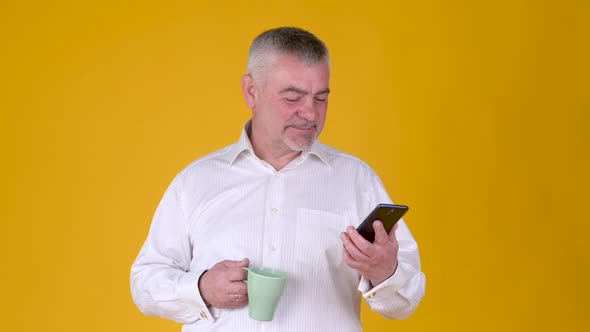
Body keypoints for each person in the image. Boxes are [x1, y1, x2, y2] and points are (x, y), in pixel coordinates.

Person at [130, 27, 425, 332]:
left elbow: (406, 302)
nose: (310, 113)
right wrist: (202, 288)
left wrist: (385, 271)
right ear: (251, 91)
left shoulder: (356, 180)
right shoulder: (195, 181)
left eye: (321, 98)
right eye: (293, 97)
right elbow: (145, 282)